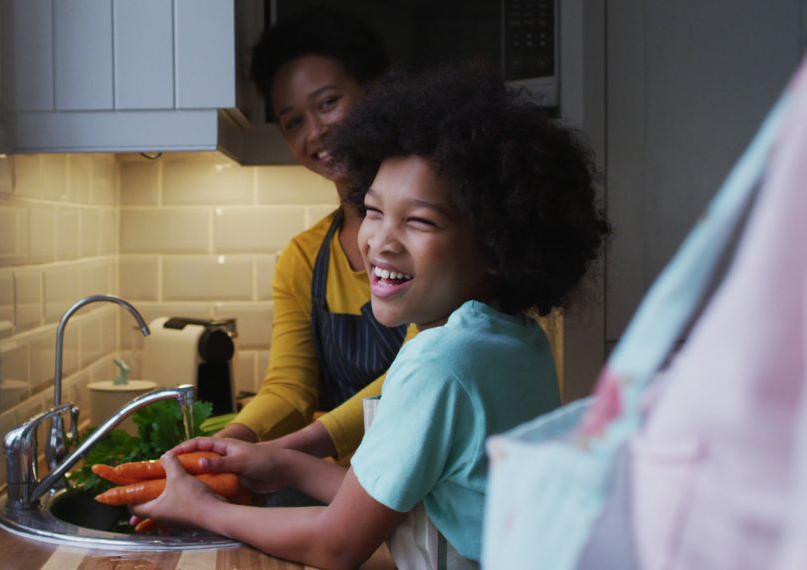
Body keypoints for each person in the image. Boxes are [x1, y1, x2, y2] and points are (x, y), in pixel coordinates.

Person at [132, 65, 610, 568]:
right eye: (373, 211)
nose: (380, 241)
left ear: (495, 245)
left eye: (419, 221)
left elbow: (337, 543)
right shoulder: (514, 340)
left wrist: (203, 509)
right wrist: (286, 464)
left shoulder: (440, 362)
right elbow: (402, 496)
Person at [214, 7, 412, 460]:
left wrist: (290, 450)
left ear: (374, 91)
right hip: (346, 489)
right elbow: (289, 386)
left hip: (434, 497)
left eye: (327, 103)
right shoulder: (303, 259)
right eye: (293, 122)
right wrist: (231, 440)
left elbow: (419, 375)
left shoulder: (435, 231)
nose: (316, 132)